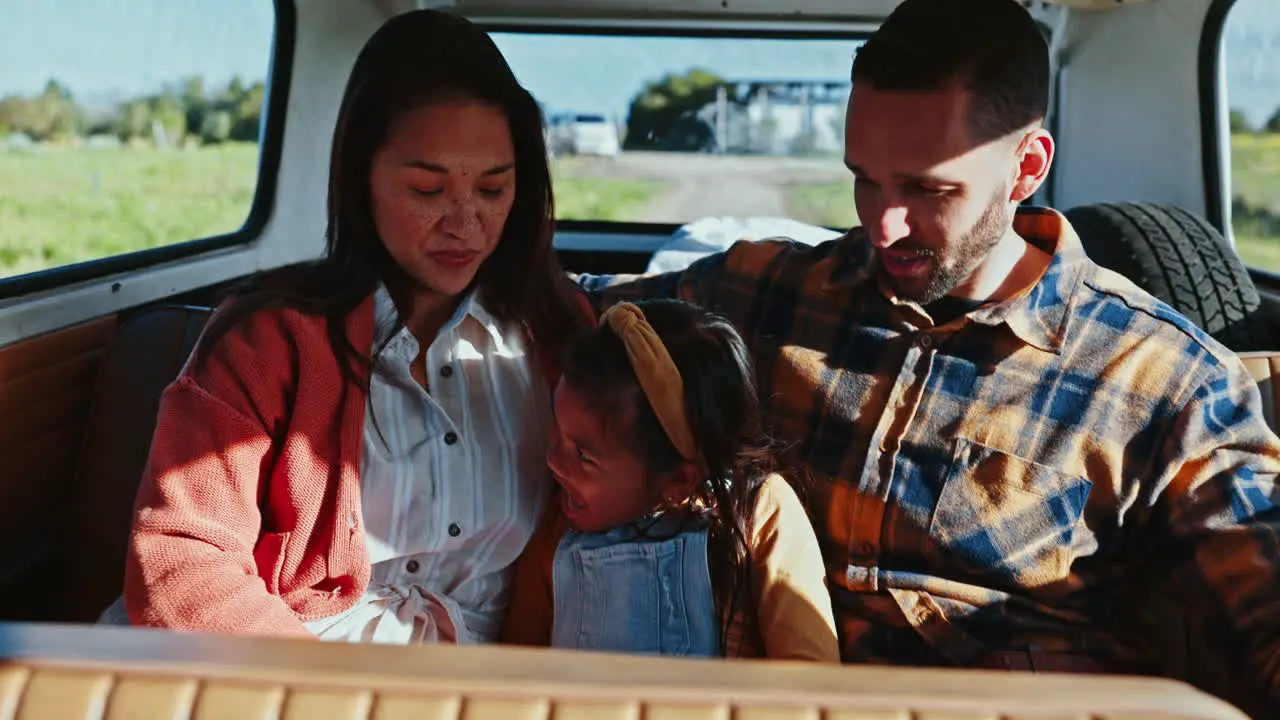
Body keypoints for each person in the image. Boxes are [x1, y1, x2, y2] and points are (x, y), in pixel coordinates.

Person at [574, 0, 1280, 713]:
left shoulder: (1167, 383)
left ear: (1027, 166)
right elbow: (566, 313)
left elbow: (1262, 604)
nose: (880, 225)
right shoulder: (768, 292)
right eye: (865, 179)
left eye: (925, 189)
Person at [106, 9, 591, 644]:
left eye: (494, 190)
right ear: (360, 179)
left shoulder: (560, 335)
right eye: (426, 190)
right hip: (273, 672)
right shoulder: (268, 340)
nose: (465, 223)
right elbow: (183, 564)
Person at [500, 299, 839, 661]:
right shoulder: (557, 530)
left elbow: (808, 676)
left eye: (584, 456)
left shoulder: (757, 510)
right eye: (555, 424)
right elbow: (516, 666)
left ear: (679, 480)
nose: (553, 460)